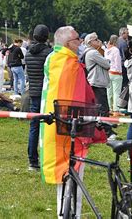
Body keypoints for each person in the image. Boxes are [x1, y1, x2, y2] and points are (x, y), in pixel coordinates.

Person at [39, 26, 100, 217]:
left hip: (53, 123)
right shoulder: (69, 64)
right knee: (71, 173)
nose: (80, 43)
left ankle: (64, 212)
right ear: (68, 43)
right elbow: (77, 99)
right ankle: (71, 214)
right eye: (77, 40)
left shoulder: (53, 59)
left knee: (64, 175)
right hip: (68, 127)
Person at [24, 24, 52, 171]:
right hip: (46, 93)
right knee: (50, 125)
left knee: (34, 127)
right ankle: (48, 158)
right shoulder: (49, 53)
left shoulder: (28, 53)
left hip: (33, 92)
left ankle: (32, 160)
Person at [84, 32, 111, 117]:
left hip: (94, 81)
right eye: (96, 39)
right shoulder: (93, 53)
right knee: (103, 107)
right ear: (90, 42)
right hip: (98, 82)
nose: (99, 41)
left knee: (99, 106)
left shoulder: (89, 52)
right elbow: (107, 65)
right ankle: (105, 129)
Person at [105, 35, 122, 115]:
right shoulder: (116, 50)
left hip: (109, 72)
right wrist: (120, 72)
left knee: (109, 92)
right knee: (116, 93)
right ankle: (116, 109)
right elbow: (117, 62)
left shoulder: (106, 49)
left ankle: (110, 108)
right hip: (116, 73)